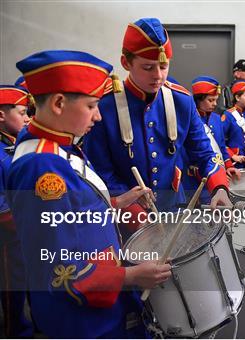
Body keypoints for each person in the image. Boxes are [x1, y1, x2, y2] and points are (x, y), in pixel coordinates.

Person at [8, 49, 172, 338]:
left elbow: (72, 214)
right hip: (85, 319)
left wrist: (117, 202)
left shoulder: (57, 143)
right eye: (92, 106)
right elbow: (59, 268)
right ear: (59, 103)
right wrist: (131, 276)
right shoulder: (42, 169)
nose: (98, 116)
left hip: (100, 296)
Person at [84, 18, 231, 215]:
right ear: (126, 62)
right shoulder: (104, 106)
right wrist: (131, 212)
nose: (158, 76)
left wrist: (219, 187)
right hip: (126, 215)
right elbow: (101, 171)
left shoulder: (182, 101)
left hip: (174, 208)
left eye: (164, 67)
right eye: (148, 67)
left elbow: (204, 152)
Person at [0, 85, 33, 337]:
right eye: (22, 113)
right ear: (2, 115)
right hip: (9, 234)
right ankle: (15, 331)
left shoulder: (18, 146)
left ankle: (36, 323)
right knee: (13, 287)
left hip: (26, 229)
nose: (27, 118)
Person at [183, 76, 241, 202]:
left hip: (217, 173)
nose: (215, 104)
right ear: (198, 100)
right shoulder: (189, 119)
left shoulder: (216, 118)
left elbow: (221, 146)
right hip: (196, 178)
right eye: (210, 100)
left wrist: (228, 165)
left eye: (216, 100)